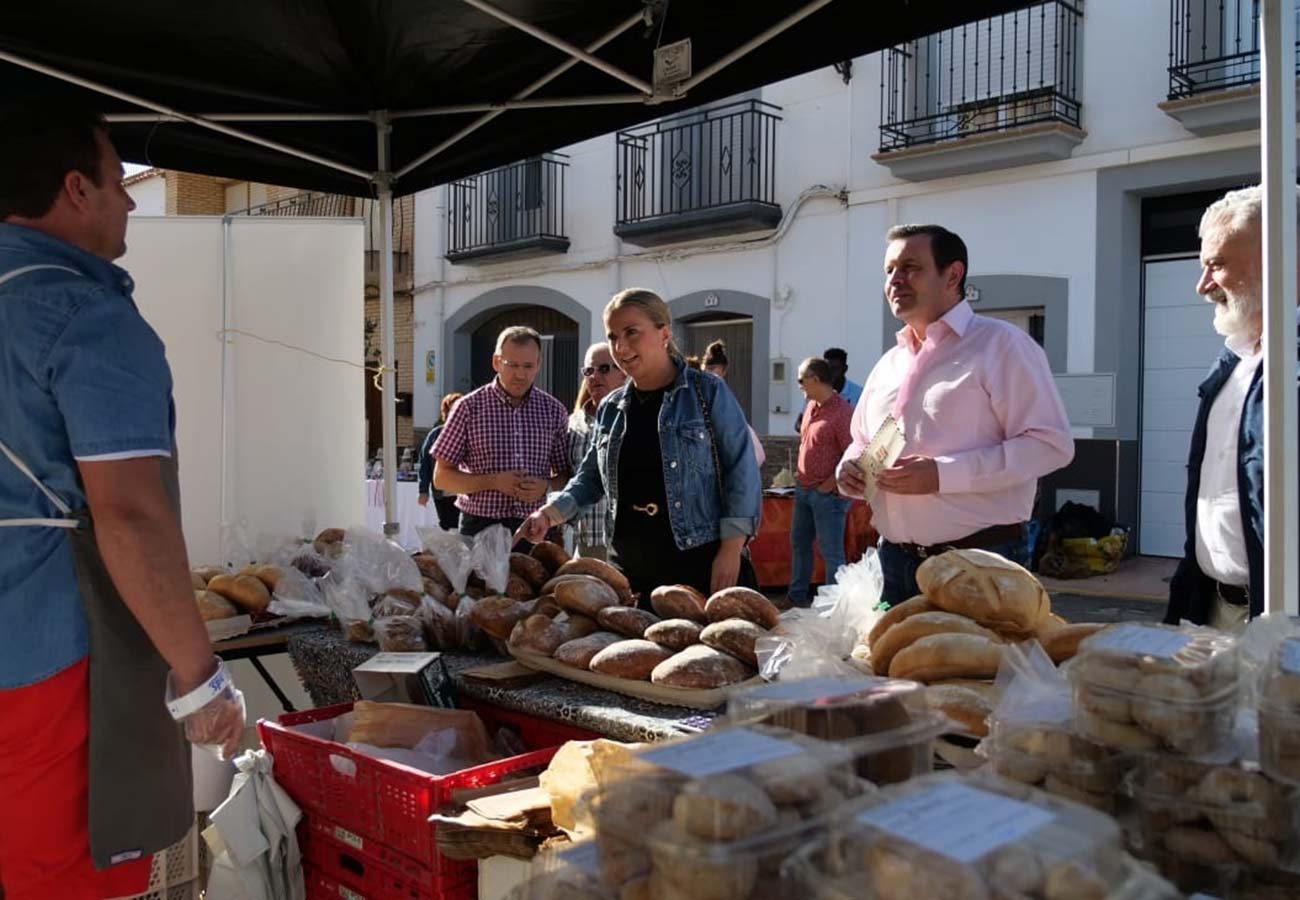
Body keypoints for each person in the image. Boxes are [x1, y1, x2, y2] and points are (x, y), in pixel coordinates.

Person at [0, 103, 244, 900]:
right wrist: (201, 675)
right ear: (75, 189)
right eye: (116, 180)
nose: (131, 199)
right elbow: (130, 514)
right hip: (56, 664)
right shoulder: (85, 317)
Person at [836, 224, 1074, 606]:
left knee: (976, 668)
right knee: (889, 668)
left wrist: (943, 474)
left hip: (977, 562)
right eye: (889, 270)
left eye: (910, 267)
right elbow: (862, 440)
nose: (895, 280)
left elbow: (1050, 446)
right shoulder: (889, 363)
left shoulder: (1003, 346)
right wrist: (850, 468)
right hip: (893, 561)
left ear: (953, 274)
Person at [516, 289, 762, 602]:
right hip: (629, 569)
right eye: (613, 336)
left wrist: (731, 549)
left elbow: (741, 470)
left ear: (664, 333)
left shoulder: (706, 391)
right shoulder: (612, 407)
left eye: (632, 332)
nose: (620, 347)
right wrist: (548, 514)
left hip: (699, 562)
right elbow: (590, 478)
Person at [1163, 185, 1300, 631]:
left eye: (1215, 265)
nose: (1202, 286)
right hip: (1213, 612)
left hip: (1282, 628)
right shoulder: (1231, 365)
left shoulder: (1287, 370)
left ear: (1284, 258)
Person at [433, 326, 570, 539]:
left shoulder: (554, 410)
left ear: (538, 365)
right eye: (512, 365)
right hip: (480, 526)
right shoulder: (468, 408)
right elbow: (441, 478)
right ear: (496, 362)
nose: (521, 374)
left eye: (528, 366)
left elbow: (567, 476)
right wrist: (493, 481)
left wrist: (546, 486)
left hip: (536, 526)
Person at [789, 357, 856, 606]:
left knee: (831, 552)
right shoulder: (811, 407)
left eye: (800, 380)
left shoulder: (842, 413)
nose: (799, 386)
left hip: (827, 496)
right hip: (805, 488)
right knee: (799, 544)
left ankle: (832, 608)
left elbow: (854, 455)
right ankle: (796, 598)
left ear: (815, 379)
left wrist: (830, 484)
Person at [566, 342, 627, 560]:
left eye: (603, 369)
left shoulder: (637, 419)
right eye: (589, 371)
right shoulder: (572, 425)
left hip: (625, 543)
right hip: (585, 545)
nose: (594, 376)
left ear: (623, 373)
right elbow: (569, 478)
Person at [697, 339, 766, 466]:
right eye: (709, 369)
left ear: (724, 370)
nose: (711, 373)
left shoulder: (719, 392)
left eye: (713, 368)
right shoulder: (705, 390)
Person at [417, 391, 464, 531]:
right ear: (446, 413)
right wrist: (423, 491)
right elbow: (425, 463)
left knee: (465, 530)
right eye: (452, 410)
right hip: (443, 492)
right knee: (448, 527)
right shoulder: (436, 434)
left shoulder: (472, 432)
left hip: (466, 492)